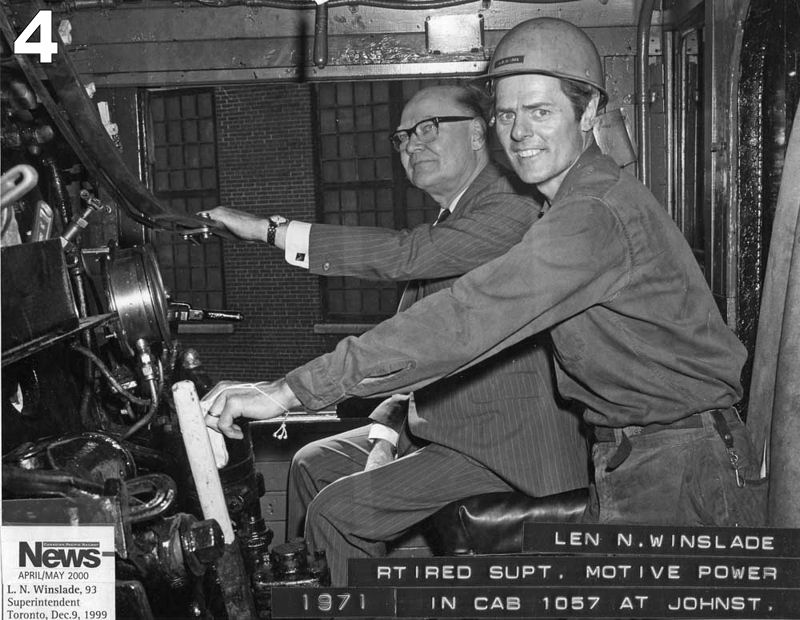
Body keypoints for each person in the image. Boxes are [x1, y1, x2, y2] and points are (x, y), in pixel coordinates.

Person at [203, 18, 766, 586]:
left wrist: (287, 392)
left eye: (541, 111)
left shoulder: (590, 215)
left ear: (589, 113)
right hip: (639, 454)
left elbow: (466, 317)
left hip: (680, 464)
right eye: (507, 114)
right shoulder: (576, 199)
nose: (519, 132)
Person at [200, 84, 588, 545]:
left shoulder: (511, 207)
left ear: (480, 134)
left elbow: (404, 255)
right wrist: (385, 431)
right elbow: (419, 352)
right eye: (402, 137)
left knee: (336, 513)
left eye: (429, 128)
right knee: (309, 464)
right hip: (449, 425)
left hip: (508, 445)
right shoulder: (455, 218)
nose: (411, 144)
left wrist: (269, 230)